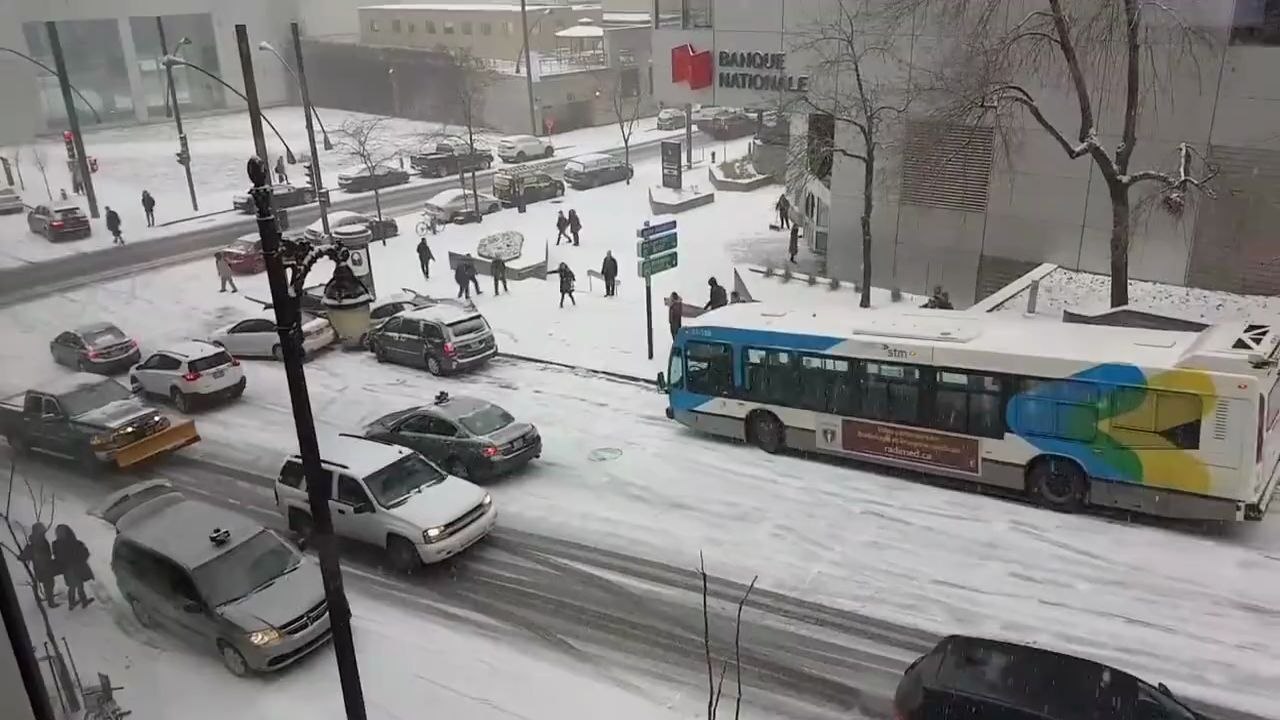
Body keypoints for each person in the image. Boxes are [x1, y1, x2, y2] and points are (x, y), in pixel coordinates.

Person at [52, 525, 93, 611]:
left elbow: (58, 558)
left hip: (67, 569)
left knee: (72, 586)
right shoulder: (74, 543)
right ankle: (83, 601)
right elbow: (85, 553)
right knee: (79, 585)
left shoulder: (56, 545)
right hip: (77, 568)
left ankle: (72, 603)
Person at [19, 523, 58, 609]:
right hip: (41, 569)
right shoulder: (34, 543)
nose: (43, 533)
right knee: (48, 584)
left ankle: (50, 599)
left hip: (47, 567)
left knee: (50, 584)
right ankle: (51, 603)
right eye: (41, 531)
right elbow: (24, 556)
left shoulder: (42, 541)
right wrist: (24, 556)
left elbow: (47, 554)